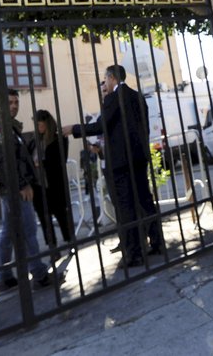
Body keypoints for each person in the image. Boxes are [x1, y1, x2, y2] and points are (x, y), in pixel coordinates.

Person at [64, 65, 163, 268]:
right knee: (145, 201)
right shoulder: (137, 96)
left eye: (105, 79)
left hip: (120, 163)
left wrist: (73, 129)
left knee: (126, 208)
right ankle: (157, 242)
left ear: (111, 78)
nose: (104, 83)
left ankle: (134, 253)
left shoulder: (113, 99)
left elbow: (100, 126)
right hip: (138, 158)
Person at [0, 88, 59, 293]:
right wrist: (23, 185)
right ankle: (39, 275)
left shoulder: (10, 128)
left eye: (16, 102)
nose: (14, 106)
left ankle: (5, 278)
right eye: (9, 102)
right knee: (28, 230)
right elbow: (4, 166)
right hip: (14, 190)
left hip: (15, 188)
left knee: (9, 233)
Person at [30, 109, 74, 247]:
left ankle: (69, 242)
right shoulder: (33, 141)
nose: (37, 127)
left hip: (54, 184)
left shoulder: (59, 138)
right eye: (36, 125)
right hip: (38, 186)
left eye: (40, 124)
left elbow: (60, 160)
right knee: (44, 219)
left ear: (47, 123)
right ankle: (52, 247)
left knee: (61, 215)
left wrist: (41, 163)